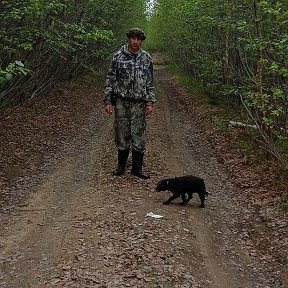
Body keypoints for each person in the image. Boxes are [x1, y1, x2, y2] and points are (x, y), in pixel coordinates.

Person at [104, 27, 156, 179]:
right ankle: (120, 167)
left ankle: (137, 169)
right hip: (121, 102)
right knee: (122, 134)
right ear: (129, 39)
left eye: (138, 39)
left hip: (140, 103)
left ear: (141, 40)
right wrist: (108, 100)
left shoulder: (146, 58)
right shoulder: (118, 56)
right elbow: (110, 79)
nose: (135, 41)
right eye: (133, 38)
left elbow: (150, 81)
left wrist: (150, 102)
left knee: (138, 135)